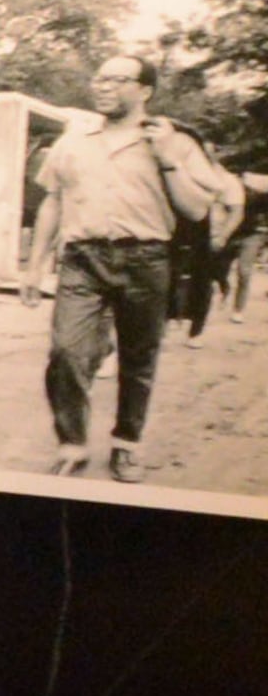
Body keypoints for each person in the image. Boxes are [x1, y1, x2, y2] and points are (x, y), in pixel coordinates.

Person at [23, 50, 239, 480]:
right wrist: (34, 266)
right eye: (100, 78)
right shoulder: (73, 139)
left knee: (138, 358)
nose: (103, 86)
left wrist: (166, 158)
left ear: (145, 91)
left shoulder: (174, 141)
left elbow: (196, 210)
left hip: (147, 259)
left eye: (117, 80)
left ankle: (126, 444)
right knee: (66, 352)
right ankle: (72, 443)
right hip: (82, 259)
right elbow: (53, 201)